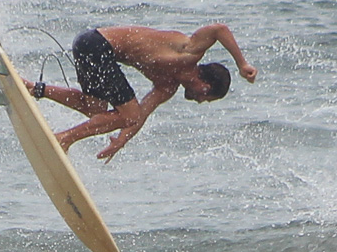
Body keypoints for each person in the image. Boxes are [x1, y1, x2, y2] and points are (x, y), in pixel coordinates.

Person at [25, 24, 258, 161]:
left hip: (90, 46)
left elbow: (142, 114)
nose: (200, 101)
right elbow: (219, 29)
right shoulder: (190, 52)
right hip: (97, 44)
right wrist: (242, 64)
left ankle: (34, 88)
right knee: (126, 113)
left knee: (93, 108)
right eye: (206, 98)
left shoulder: (167, 87)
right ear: (205, 86)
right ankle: (64, 139)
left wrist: (121, 140)